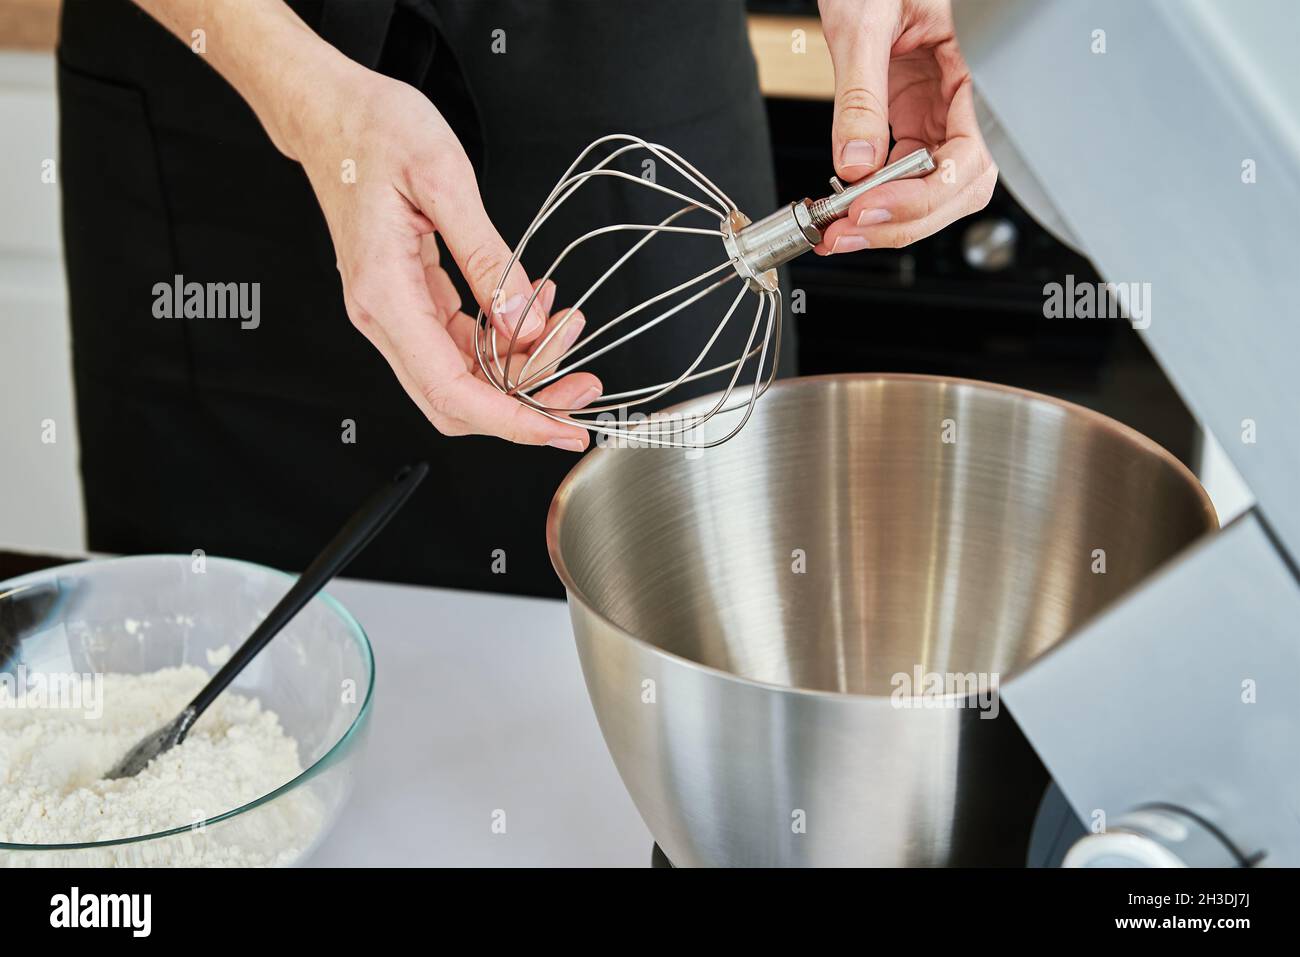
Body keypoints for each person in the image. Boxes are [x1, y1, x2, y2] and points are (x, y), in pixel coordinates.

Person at [57, 0, 994, 596]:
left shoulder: (657, 224)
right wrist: (307, 101)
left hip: (624, 76)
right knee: (199, 672)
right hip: (216, 85)